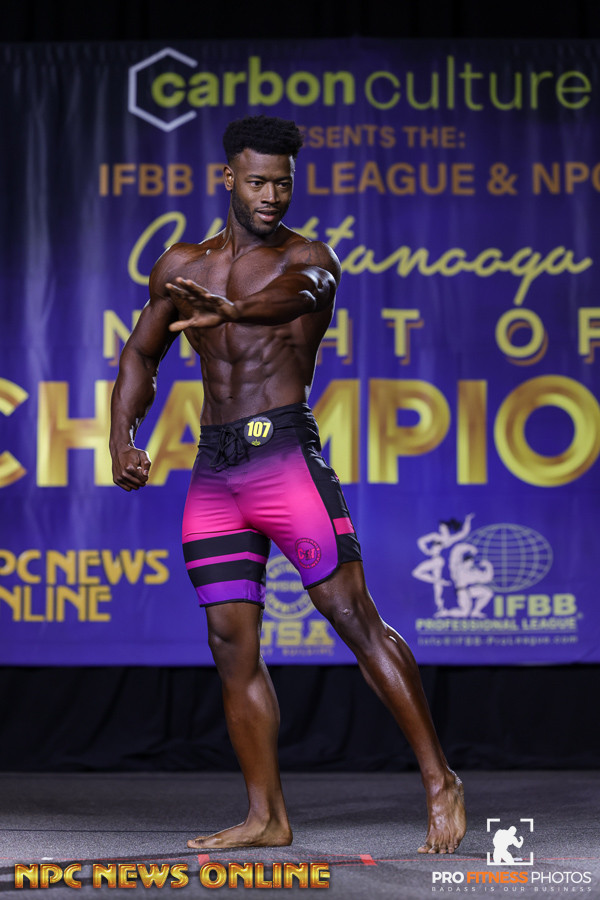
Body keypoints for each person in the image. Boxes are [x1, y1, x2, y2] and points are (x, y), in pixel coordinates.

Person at [110, 115, 466, 854]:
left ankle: (440, 780)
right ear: (229, 179)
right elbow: (142, 353)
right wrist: (122, 438)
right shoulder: (182, 265)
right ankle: (266, 816)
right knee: (229, 641)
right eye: (258, 182)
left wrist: (238, 310)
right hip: (215, 472)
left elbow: (301, 294)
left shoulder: (309, 258)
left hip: (285, 460)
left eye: (283, 183)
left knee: (351, 614)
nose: (272, 196)